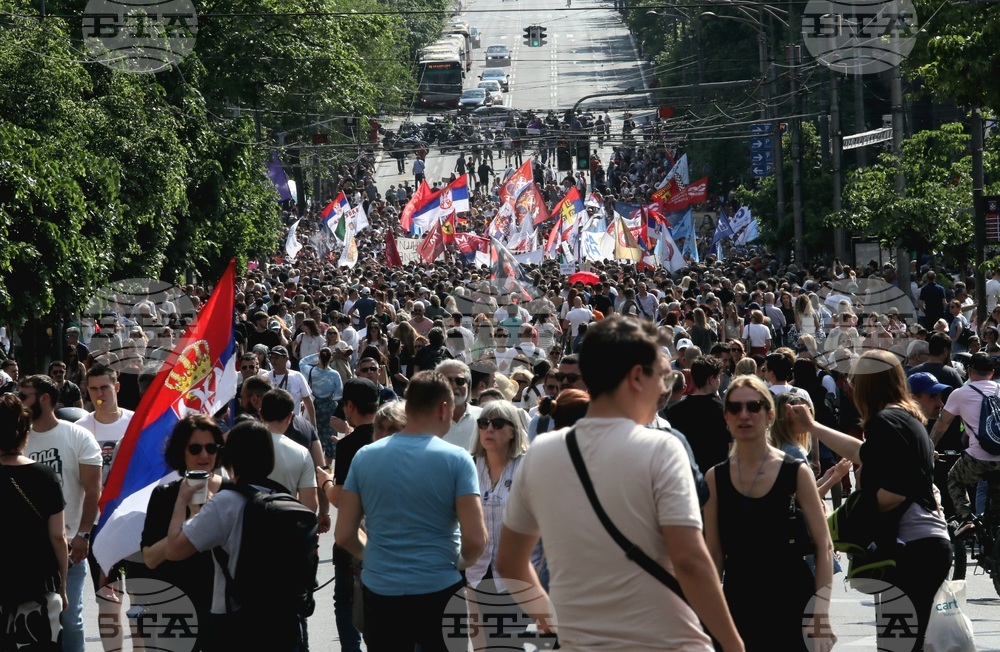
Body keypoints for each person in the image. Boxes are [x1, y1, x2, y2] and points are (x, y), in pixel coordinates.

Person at [496, 316, 744, 651]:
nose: (666, 388)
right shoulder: (662, 448)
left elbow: (510, 561)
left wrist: (552, 620)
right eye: (664, 376)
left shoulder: (541, 453)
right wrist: (733, 644)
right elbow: (690, 561)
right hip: (664, 641)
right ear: (637, 377)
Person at [787, 349, 951, 651]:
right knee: (902, 645)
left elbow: (896, 490)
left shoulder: (885, 422)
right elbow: (863, 454)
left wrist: (854, 514)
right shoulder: (904, 419)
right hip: (927, 544)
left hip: (911, 549)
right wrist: (813, 427)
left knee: (896, 646)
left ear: (864, 386)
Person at [331, 371, 487, 652]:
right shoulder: (458, 460)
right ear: (443, 408)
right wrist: (458, 562)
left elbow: (344, 535)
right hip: (440, 588)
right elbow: (476, 540)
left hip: (381, 591)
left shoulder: (365, 456)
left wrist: (374, 555)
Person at [704, 375, 833, 651]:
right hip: (739, 603)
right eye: (735, 408)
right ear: (726, 417)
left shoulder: (795, 472)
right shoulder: (715, 478)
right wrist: (707, 619)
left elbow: (823, 546)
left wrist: (820, 617)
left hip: (793, 600)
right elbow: (714, 556)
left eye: (754, 406)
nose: (744, 415)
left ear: (769, 414)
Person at [166, 420, 311, 650]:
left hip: (236, 621)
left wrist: (183, 498)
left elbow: (174, 549)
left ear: (230, 457)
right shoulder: (282, 498)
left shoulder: (226, 503)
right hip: (285, 619)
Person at [19, 374, 102, 652]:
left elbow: (93, 490)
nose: (19, 402)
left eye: (24, 396)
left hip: (69, 547)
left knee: (70, 618)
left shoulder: (77, 435)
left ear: (44, 399)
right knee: (25, 619)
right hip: (26, 548)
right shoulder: (17, 439)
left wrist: (84, 534)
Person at [141, 414, 225, 652]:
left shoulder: (230, 494)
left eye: (211, 448)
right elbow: (150, 558)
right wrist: (187, 522)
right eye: (195, 448)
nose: (204, 456)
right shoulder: (164, 496)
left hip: (220, 610)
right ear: (181, 452)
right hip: (175, 611)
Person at [466, 400, 538, 649]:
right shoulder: (469, 466)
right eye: (483, 423)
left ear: (513, 431)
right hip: (476, 571)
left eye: (497, 424)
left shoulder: (527, 467)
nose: (489, 429)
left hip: (515, 573)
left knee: (508, 644)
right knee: (482, 645)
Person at [0, 394, 68, 651]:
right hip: (37, 585)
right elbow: (58, 537)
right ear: (25, 435)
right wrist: (62, 585)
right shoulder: (45, 476)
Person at [325, 377, 380, 652]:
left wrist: (325, 482)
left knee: (345, 600)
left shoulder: (349, 446)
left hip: (353, 537)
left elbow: (341, 498)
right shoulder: (392, 440)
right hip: (386, 538)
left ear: (349, 406)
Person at [927, 352, 1000, 536]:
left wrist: (929, 448)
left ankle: (966, 518)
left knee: (954, 479)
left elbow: (942, 424)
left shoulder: (960, 394)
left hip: (977, 457)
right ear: (992, 372)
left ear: (969, 371)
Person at [668, 355, 730, 474]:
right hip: (717, 475)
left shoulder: (676, 411)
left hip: (686, 474)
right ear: (711, 379)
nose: (720, 380)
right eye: (718, 377)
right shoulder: (723, 410)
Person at [298, 348, 344, 464]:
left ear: (319, 357)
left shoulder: (311, 371)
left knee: (315, 435)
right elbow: (339, 393)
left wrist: (316, 355)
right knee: (330, 438)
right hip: (330, 407)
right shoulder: (334, 374)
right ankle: (327, 468)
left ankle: (317, 465)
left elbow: (302, 362)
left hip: (314, 406)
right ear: (331, 359)